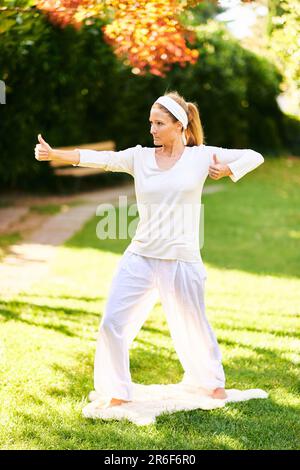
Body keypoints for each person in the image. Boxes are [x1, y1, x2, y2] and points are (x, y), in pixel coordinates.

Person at [35, 91, 264, 410]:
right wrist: (54, 153)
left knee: (192, 324)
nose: (152, 129)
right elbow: (102, 159)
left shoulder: (201, 156)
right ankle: (117, 390)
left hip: (182, 258)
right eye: (151, 123)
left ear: (179, 125)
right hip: (141, 256)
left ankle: (211, 384)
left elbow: (254, 155)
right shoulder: (140, 157)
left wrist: (228, 171)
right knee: (112, 322)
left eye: (159, 123)